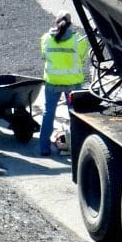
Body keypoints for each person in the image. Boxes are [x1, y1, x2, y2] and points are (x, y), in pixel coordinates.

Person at [37, 10, 89, 156]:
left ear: (56, 22)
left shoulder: (46, 38)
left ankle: (44, 148)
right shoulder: (78, 40)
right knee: (74, 115)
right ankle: (77, 147)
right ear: (71, 23)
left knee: (48, 113)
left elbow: (44, 56)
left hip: (52, 81)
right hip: (72, 83)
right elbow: (83, 58)